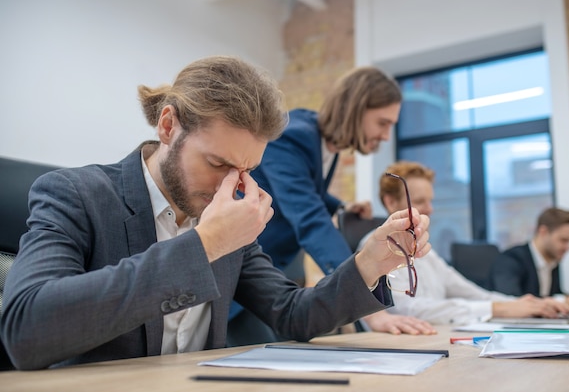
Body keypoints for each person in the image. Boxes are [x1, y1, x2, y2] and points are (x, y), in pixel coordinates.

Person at [0, 56, 432, 370]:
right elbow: (25, 331)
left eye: (246, 170)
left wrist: (367, 265)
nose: (233, 187)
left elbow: (293, 313)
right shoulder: (75, 195)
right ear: (168, 127)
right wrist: (204, 245)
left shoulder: (230, 216)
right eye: (218, 164)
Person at [233, 66, 436, 339]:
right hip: (243, 271)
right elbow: (311, 221)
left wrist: (340, 206)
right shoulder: (293, 136)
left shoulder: (321, 143)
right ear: (356, 109)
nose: (387, 136)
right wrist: (371, 308)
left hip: (274, 271)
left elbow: (305, 189)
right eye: (382, 123)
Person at [358, 161, 569, 325]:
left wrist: (526, 304)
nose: (430, 209)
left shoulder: (423, 251)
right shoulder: (375, 247)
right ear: (390, 202)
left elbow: (472, 292)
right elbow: (405, 309)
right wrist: (498, 309)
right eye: (420, 201)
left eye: (431, 201)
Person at [489, 207, 569, 298]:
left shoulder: (552, 260)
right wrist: (561, 301)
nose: (568, 247)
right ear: (543, 232)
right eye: (564, 240)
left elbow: (553, 295)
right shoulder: (511, 259)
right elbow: (513, 301)